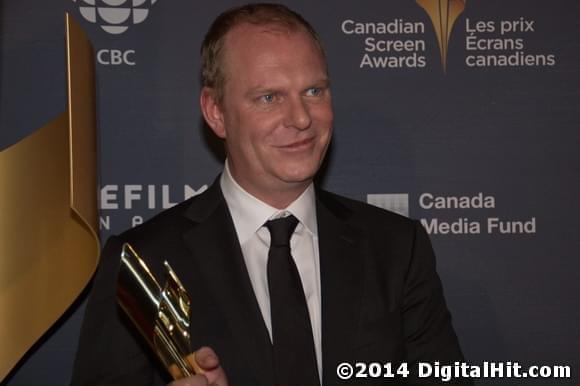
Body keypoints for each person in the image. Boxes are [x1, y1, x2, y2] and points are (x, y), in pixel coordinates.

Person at [71, 3, 468, 386]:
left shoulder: (397, 248)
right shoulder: (143, 263)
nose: (300, 118)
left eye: (314, 91)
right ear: (216, 112)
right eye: (269, 97)